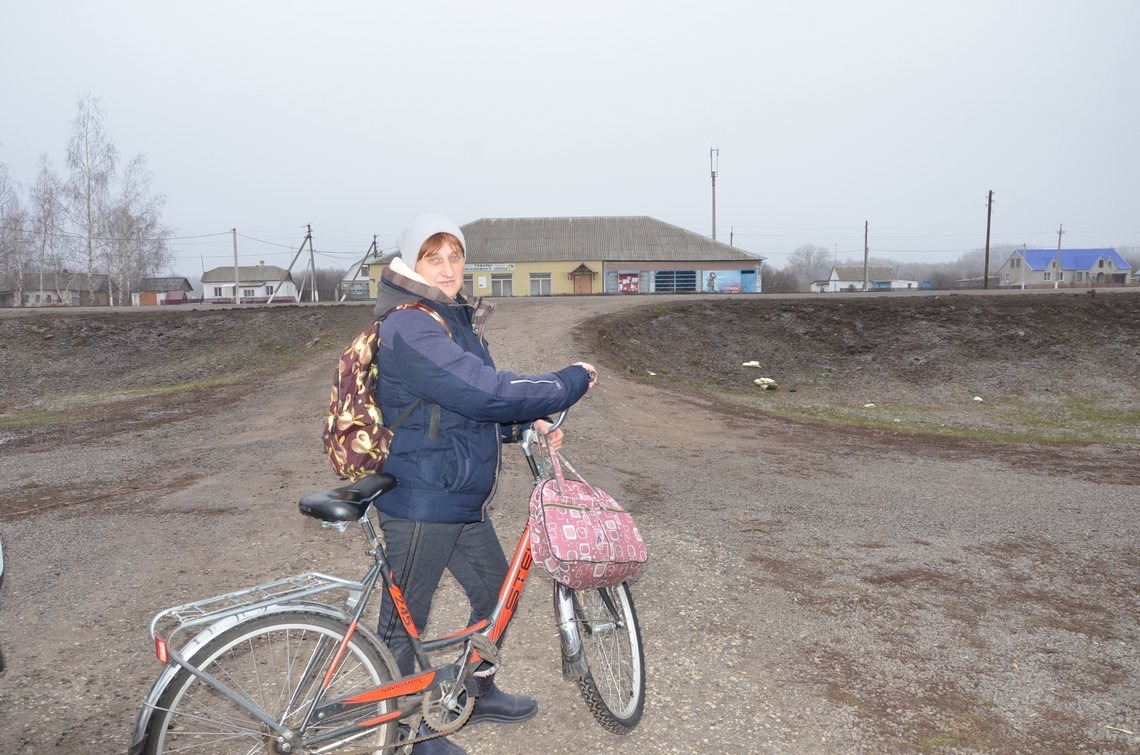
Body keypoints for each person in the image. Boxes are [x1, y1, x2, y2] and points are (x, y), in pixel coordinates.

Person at [371, 213, 598, 754]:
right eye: (435, 257)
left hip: (455, 494)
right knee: (405, 621)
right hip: (423, 495)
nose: (449, 268)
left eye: (455, 256)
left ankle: (474, 690)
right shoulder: (410, 324)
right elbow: (485, 392)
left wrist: (526, 424)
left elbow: (460, 407)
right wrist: (568, 382)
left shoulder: (449, 317)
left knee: (495, 594)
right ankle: (403, 732)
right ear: (411, 264)